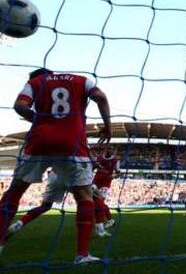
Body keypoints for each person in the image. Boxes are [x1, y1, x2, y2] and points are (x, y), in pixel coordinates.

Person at [0, 68, 111, 265]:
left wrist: (38, 118)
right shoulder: (81, 80)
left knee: (15, 191)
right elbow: (101, 97)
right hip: (72, 142)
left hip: (39, 141)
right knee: (84, 197)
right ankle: (82, 255)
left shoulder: (36, 83)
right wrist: (107, 126)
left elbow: (19, 106)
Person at [7, 169, 68, 237]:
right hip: (71, 174)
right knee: (81, 200)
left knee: (45, 206)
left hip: (54, 175)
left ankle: (20, 223)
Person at [92, 146, 120, 237]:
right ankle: (109, 221)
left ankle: (104, 223)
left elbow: (118, 173)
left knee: (99, 203)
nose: (110, 150)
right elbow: (93, 167)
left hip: (105, 183)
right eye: (109, 148)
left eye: (112, 149)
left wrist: (113, 176)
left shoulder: (115, 160)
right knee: (97, 203)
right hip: (95, 182)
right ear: (106, 149)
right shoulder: (99, 158)